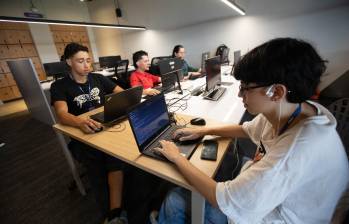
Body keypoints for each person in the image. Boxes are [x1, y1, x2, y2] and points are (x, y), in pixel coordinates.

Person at [156, 38, 349, 223]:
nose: (239, 94)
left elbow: (225, 200)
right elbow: (246, 130)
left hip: (273, 217)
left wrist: (177, 157)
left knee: (175, 198)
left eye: (246, 87)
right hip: (278, 199)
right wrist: (203, 131)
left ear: (277, 92)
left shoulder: (295, 150)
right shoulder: (295, 109)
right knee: (222, 164)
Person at [50, 42, 126, 224]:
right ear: (69, 62)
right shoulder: (59, 86)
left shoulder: (98, 78)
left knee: (116, 156)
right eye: (80, 61)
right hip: (83, 136)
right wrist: (80, 121)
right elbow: (62, 114)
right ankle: (111, 214)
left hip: (105, 129)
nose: (86, 66)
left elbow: (121, 92)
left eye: (88, 61)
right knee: (98, 167)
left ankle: (115, 211)